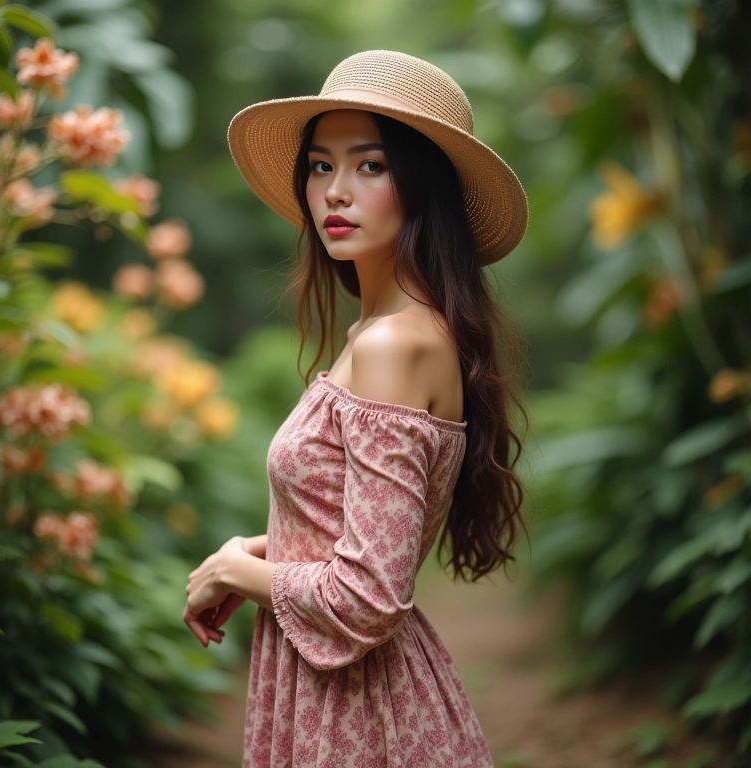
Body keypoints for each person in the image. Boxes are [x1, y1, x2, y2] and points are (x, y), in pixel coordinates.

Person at [183, 50, 528, 767]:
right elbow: (364, 532)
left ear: (423, 187)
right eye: (320, 165)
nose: (336, 192)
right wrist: (263, 552)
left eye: (370, 165)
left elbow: (368, 596)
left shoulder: (395, 345)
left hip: (359, 717)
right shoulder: (381, 335)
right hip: (333, 697)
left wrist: (231, 572)